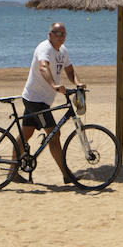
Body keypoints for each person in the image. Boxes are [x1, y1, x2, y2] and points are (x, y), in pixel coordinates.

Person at [20, 22, 84, 184]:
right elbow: (43, 67)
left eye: (63, 34)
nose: (61, 37)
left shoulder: (63, 51)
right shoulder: (44, 48)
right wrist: (53, 85)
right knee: (54, 135)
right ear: (50, 35)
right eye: (57, 33)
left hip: (42, 100)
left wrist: (77, 83)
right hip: (35, 99)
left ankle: (11, 173)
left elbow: (69, 70)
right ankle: (66, 175)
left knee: (26, 134)